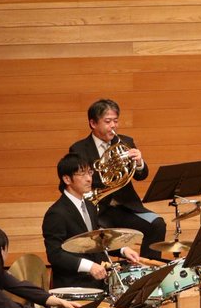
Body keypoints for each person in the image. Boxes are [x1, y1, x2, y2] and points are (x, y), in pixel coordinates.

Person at [68, 98, 167, 260]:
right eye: (108, 121)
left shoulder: (125, 142)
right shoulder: (79, 149)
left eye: (115, 121)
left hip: (126, 207)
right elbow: (78, 183)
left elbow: (142, 176)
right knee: (95, 238)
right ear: (93, 124)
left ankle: (149, 272)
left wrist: (140, 162)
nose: (113, 126)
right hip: (99, 209)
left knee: (157, 224)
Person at [42, 153, 141, 290]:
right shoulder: (56, 213)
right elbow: (55, 255)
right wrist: (89, 266)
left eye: (90, 173)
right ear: (66, 179)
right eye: (82, 174)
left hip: (98, 280)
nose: (89, 179)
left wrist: (123, 249)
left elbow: (96, 239)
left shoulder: (90, 205)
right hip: (74, 284)